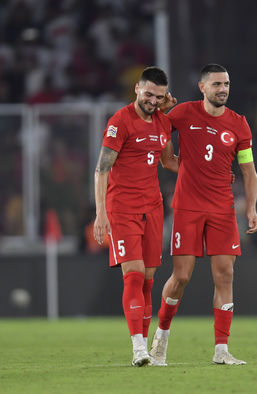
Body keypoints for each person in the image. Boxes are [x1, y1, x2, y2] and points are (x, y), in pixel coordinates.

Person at [149, 63, 257, 366]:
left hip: (223, 209)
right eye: (216, 84)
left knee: (225, 275)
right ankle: (160, 337)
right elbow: (158, 131)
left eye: (226, 84)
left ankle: (222, 350)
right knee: (181, 276)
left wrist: (250, 208)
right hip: (187, 206)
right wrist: (172, 161)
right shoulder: (184, 113)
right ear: (202, 88)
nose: (222, 89)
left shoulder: (239, 124)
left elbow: (248, 171)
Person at [93, 66, 178, 367]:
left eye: (157, 96)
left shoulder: (162, 123)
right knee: (134, 274)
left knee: (149, 281)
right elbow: (102, 169)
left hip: (152, 207)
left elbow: (169, 162)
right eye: (147, 94)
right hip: (122, 208)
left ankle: (147, 354)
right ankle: (138, 348)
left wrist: (211, 169)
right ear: (137, 89)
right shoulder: (120, 122)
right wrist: (101, 213)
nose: (151, 100)